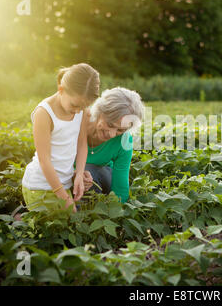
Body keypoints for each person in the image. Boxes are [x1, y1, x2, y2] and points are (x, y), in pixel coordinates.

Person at [21, 63, 100, 213]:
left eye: (82, 107)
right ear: (61, 89)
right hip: (40, 186)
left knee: (71, 225)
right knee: (56, 230)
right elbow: (45, 161)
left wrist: (78, 174)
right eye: (74, 105)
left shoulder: (81, 110)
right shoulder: (44, 113)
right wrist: (64, 198)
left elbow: (82, 144)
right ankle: (19, 218)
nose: (77, 111)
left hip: (63, 184)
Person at [81, 87, 145, 204]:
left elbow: (120, 185)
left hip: (100, 177)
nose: (111, 134)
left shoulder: (124, 140)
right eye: (110, 124)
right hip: (66, 176)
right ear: (99, 112)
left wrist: (117, 212)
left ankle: (89, 215)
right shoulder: (77, 121)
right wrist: (74, 174)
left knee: (89, 172)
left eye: (120, 130)